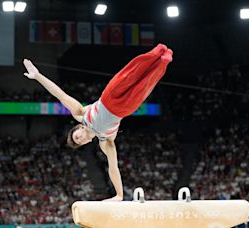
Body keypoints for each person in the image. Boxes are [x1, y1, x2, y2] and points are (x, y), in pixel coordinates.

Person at [23, 43, 173, 201]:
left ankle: (156, 52)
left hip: (109, 97)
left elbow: (60, 95)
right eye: (79, 142)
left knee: (129, 75)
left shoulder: (81, 114)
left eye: (76, 136)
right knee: (145, 85)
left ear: (79, 127)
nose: (79, 138)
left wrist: (38, 76)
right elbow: (113, 168)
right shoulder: (105, 140)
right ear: (86, 143)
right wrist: (119, 195)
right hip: (124, 109)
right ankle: (163, 61)